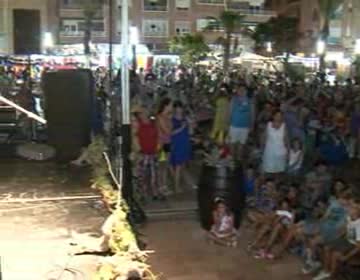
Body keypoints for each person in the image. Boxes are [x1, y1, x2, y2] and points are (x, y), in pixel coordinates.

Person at [313, 204, 360, 280]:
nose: (349, 209)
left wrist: (346, 257)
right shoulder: (349, 218)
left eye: (352, 208)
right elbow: (345, 230)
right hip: (345, 241)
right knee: (327, 247)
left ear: (357, 212)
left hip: (353, 245)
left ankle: (331, 276)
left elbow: (358, 247)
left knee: (335, 255)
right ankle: (325, 271)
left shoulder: (359, 225)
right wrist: (337, 237)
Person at [135, 107, 160, 201]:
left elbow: (157, 136)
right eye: (142, 113)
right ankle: (143, 193)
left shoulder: (153, 123)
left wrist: (157, 148)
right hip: (143, 152)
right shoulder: (138, 124)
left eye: (146, 112)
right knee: (143, 174)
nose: (144, 114)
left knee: (154, 173)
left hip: (152, 152)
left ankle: (154, 192)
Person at [170, 101, 193, 193]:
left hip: (185, 143)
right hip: (176, 144)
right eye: (177, 108)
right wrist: (182, 127)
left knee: (183, 165)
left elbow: (190, 132)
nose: (179, 110)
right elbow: (171, 133)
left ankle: (181, 183)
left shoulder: (185, 119)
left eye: (181, 108)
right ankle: (176, 187)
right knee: (178, 166)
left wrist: (191, 125)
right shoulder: (172, 119)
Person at [229, 84, 254, 160]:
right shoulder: (234, 99)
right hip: (234, 125)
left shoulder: (250, 101)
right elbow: (230, 111)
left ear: (246, 91)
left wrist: (252, 125)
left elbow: (252, 114)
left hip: (245, 126)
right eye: (240, 90)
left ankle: (239, 161)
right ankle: (232, 161)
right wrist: (228, 123)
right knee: (232, 144)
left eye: (244, 90)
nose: (242, 91)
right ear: (237, 91)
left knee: (242, 145)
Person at [262, 111, 289, 176]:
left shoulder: (284, 126)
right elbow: (264, 137)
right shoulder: (268, 124)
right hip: (269, 151)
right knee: (268, 169)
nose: (278, 117)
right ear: (273, 116)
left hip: (280, 151)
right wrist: (262, 147)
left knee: (278, 171)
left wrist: (288, 151)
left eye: (280, 116)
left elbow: (286, 140)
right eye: (277, 115)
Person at [156, 98, 173, 195]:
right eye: (170, 105)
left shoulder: (166, 117)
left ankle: (164, 185)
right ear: (166, 106)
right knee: (162, 166)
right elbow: (167, 131)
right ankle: (160, 186)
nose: (171, 107)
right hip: (161, 144)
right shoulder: (160, 117)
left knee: (165, 165)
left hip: (167, 143)